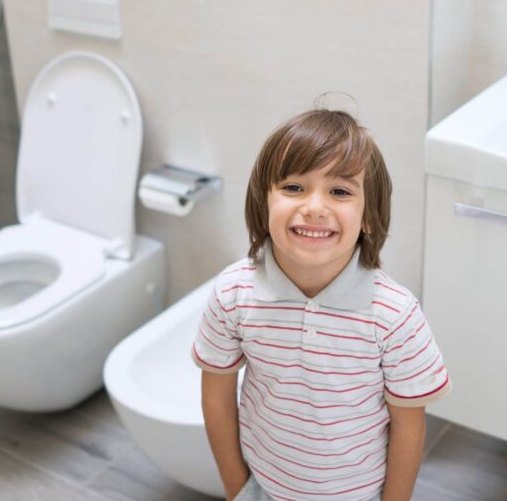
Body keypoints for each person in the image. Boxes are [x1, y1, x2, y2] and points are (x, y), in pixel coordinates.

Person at [192, 108, 450, 501]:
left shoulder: (394, 315)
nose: (315, 206)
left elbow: (408, 425)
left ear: (368, 216)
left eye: (340, 191)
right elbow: (217, 393)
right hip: (264, 487)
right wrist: (237, 488)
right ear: (264, 201)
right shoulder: (234, 293)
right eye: (294, 187)